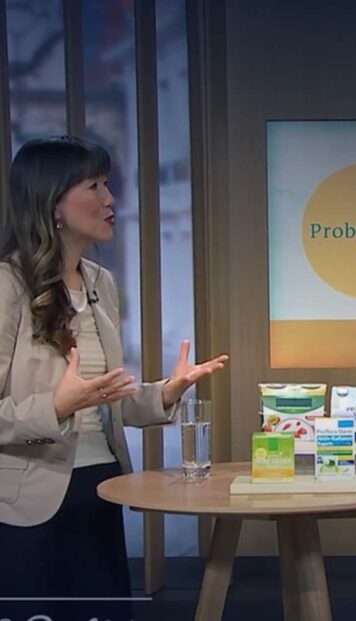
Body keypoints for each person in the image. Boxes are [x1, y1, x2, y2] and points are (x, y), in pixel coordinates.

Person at [0, 136, 229, 620]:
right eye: (94, 186)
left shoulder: (100, 282)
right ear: (52, 203)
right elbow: (58, 404)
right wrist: (56, 407)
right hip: (25, 499)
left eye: (107, 184)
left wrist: (165, 392)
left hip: (100, 486)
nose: (110, 199)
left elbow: (103, 400)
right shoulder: (7, 285)